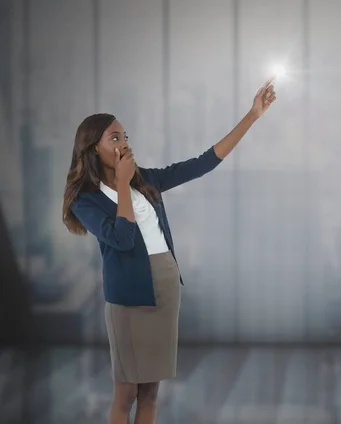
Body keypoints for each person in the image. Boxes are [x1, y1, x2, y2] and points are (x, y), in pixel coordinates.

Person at [62, 78, 276, 423]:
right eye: (115, 137)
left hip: (164, 286)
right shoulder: (86, 199)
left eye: (125, 136)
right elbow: (122, 238)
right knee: (126, 392)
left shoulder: (142, 180)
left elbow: (203, 163)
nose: (124, 143)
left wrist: (252, 116)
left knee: (150, 392)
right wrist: (119, 181)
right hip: (129, 296)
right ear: (93, 148)